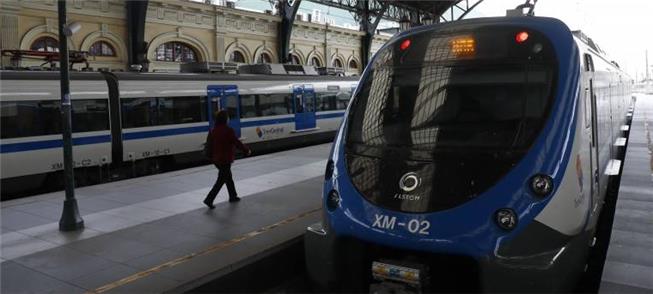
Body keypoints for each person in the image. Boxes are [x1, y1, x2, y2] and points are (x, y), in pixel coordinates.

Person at [203, 110, 251, 209]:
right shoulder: (228, 130)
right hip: (225, 159)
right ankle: (209, 199)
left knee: (228, 177)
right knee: (221, 180)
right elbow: (236, 143)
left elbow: (209, 145)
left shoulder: (213, 130)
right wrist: (246, 150)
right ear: (225, 119)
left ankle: (233, 196)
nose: (229, 119)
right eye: (228, 117)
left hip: (216, 159)